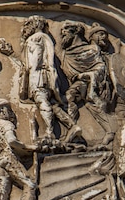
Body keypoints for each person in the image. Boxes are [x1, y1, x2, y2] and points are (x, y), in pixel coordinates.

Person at [20, 15, 81, 145]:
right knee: (52, 103)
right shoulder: (45, 38)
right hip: (47, 74)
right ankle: (72, 126)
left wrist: (30, 74)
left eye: (27, 26)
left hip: (38, 75)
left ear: (34, 25)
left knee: (41, 101)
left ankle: (49, 132)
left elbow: (34, 59)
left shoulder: (35, 38)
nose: (25, 30)